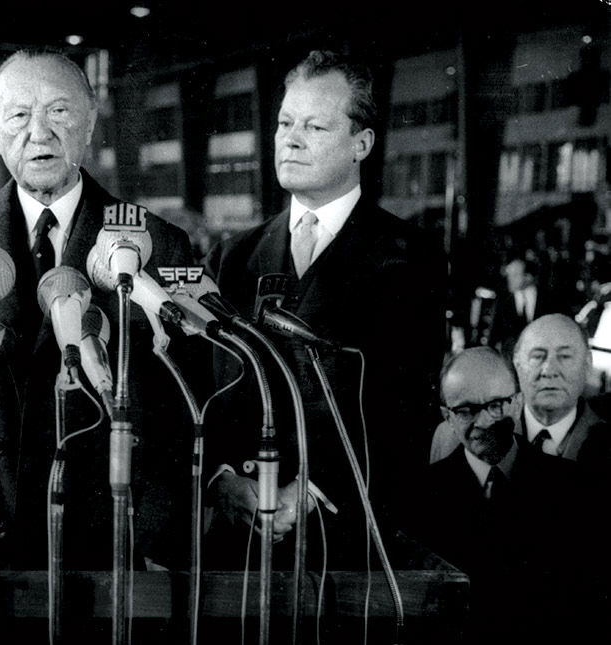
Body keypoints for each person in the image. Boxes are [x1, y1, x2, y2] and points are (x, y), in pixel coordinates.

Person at [0, 49, 196, 578]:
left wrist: (151, 535)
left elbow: (184, 403)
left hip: (107, 555)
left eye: (59, 112)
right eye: (17, 115)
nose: (39, 133)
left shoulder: (157, 244)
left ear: (90, 121)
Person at [203, 50, 445, 569]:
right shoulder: (231, 258)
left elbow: (405, 410)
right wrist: (222, 479)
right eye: (285, 122)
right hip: (234, 542)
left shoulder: (409, 258)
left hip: (346, 540)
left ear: (362, 143)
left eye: (314, 125)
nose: (291, 138)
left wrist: (307, 491)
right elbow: (205, 390)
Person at [413, 347, 604, 645]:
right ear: (447, 417)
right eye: (465, 410)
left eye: (496, 405)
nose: (484, 421)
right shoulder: (418, 497)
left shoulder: (575, 487)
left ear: (516, 403)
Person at [430, 314, 611, 488]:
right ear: (516, 363)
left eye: (565, 356)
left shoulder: (604, 441)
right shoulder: (449, 437)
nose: (548, 370)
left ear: (588, 363)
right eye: (537, 356)